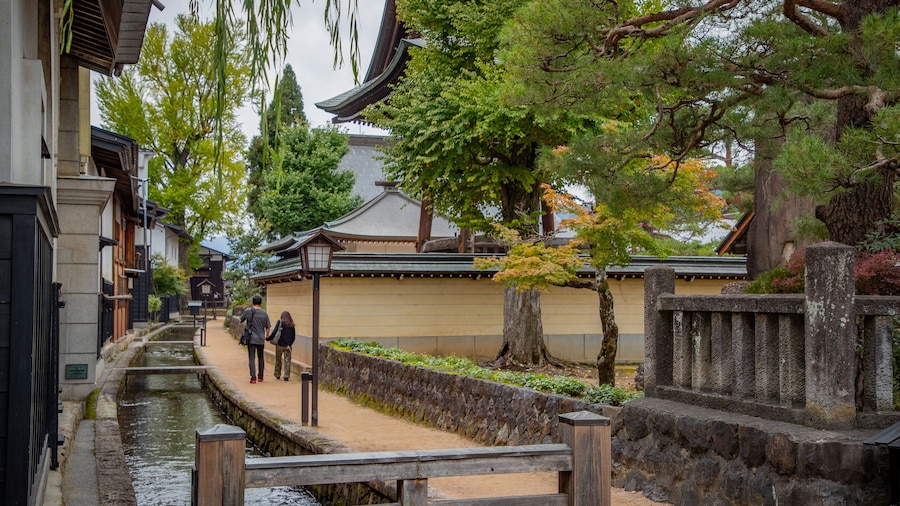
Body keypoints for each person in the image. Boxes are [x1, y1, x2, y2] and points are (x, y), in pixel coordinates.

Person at [240, 295, 270, 384]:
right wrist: (266, 336)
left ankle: (253, 378)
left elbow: (241, 320)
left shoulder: (248, 311)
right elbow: (268, 327)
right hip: (261, 338)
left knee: (251, 358)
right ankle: (260, 377)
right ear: (260, 303)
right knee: (261, 357)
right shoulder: (264, 313)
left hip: (251, 338)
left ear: (252, 302)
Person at [267, 311, 296, 381]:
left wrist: (268, 338)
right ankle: (286, 375)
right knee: (287, 361)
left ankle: (277, 374)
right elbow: (293, 336)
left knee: (278, 360)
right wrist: (290, 344)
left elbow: (274, 332)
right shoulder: (291, 325)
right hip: (288, 346)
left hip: (279, 344)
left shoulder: (280, 322)